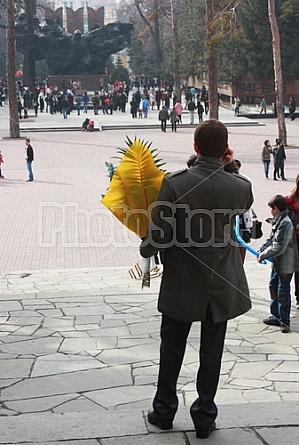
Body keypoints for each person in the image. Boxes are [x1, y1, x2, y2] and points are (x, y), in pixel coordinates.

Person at [140, 119, 253, 439]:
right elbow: (244, 203)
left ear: (195, 148)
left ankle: (163, 411)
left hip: (182, 280)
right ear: (226, 149)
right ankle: (204, 416)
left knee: (171, 348)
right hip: (221, 281)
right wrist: (228, 166)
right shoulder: (241, 187)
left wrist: (145, 247)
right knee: (212, 351)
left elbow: (158, 237)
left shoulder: (175, 183)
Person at [258, 195, 299, 333]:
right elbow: (271, 239)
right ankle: (275, 316)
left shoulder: (286, 223)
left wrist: (263, 255)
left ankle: (284, 320)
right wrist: (261, 249)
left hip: (285, 264)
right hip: (277, 263)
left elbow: (279, 246)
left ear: (276, 208)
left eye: (271, 208)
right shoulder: (278, 220)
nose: (271, 211)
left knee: (283, 291)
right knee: (273, 287)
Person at [286, 174, 299, 310]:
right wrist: (293, 223)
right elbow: (282, 212)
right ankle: (298, 297)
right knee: (297, 267)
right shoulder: (291, 197)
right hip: (296, 237)